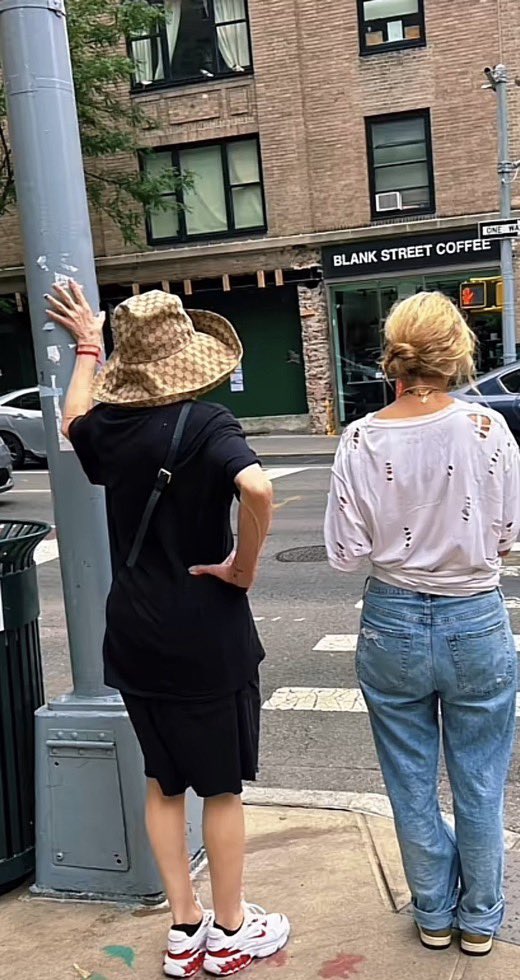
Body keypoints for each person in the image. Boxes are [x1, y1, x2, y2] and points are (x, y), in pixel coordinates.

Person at [46, 282, 290, 978]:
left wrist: (87, 348)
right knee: (221, 789)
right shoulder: (209, 423)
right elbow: (258, 488)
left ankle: (185, 930)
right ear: (191, 357)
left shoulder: (107, 430)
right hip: (205, 630)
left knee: (163, 781)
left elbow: (71, 419)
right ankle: (232, 932)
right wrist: (243, 567)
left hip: (134, 629)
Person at [325, 291, 520, 958]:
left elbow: (345, 553)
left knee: (409, 780)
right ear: (458, 351)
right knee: (481, 779)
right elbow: (508, 536)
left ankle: (434, 913)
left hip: (394, 617)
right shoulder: (489, 430)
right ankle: (480, 919)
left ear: (395, 357)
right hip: (474, 615)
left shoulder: (361, 438)